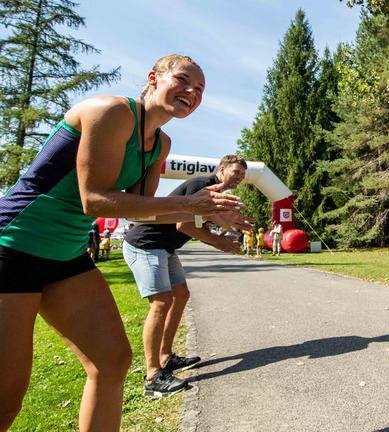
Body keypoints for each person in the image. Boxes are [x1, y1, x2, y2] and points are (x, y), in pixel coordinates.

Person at [0, 54, 243, 432]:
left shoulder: (160, 144)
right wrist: (191, 203)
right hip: (13, 245)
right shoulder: (111, 112)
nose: (192, 92)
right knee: (6, 397)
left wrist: (205, 215)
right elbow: (94, 199)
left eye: (200, 90)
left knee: (111, 361)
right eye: (183, 80)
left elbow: (139, 212)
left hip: (67, 256)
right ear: (153, 78)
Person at [123, 155, 250, 397]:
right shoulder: (201, 184)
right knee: (161, 302)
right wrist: (217, 241)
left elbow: (198, 224)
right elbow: (184, 225)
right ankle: (152, 377)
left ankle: (166, 357)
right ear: (221, 170)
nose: (240, 177)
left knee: (181, 295)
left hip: (165, 247)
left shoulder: (218, 196)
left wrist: (220, 224)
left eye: (243, 175)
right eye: (235, 172)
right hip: (145, 244)